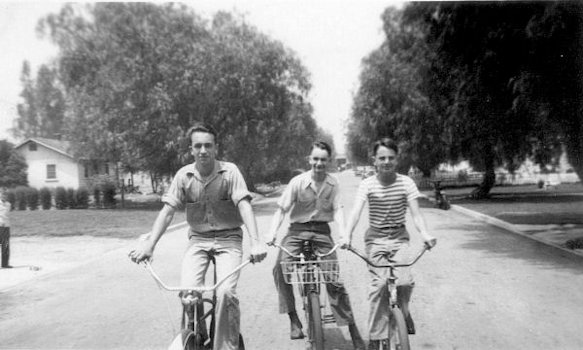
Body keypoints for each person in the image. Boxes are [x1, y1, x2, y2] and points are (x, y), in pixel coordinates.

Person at [129, 123, 267, 350]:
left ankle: (225, 346)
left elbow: (244, 205)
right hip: (198, 240)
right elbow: (167, 212)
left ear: (216, 148)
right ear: (191, 149)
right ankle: (198, 335)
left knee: (225, 293)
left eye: (208, 145)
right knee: (188, 292)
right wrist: (150, 245)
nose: (203, 150)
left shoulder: (230, 172)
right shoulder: (184, 176)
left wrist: (256, 242)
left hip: (229, 238)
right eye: (198, 146)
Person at [267, 141, 365, 350]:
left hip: (321, 232)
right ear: (309, 160)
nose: (319, 163)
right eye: (315, 159)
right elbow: (281, 210)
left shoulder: (333, 183)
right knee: (280, 268)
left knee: (333, 279)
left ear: (328, 161)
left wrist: (344, 234)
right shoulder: (298, 182)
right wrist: (272, 232)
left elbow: (338, 210)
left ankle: (352, 328)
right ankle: (293, 317)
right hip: (297, 231)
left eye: (323, 160)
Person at [342, 137, 436, 350]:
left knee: (404, 282)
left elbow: (416, 215)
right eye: (382, 158)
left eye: (391, 158)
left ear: (397, 160)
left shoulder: (406, 183)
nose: (386, 162)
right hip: (375, 240)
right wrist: (347, 235)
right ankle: (375, 338)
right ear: (374, 160)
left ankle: (403, 311)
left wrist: (425, 234)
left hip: (399, 239)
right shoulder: (367, 184)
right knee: (379, 286)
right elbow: (356, 212)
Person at [0, 188, 12, 268]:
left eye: (5, 194)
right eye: (2, 194)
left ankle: (5, 264)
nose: (4, 196)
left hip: (6, 227)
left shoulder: (8, 204)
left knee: (6, 245)